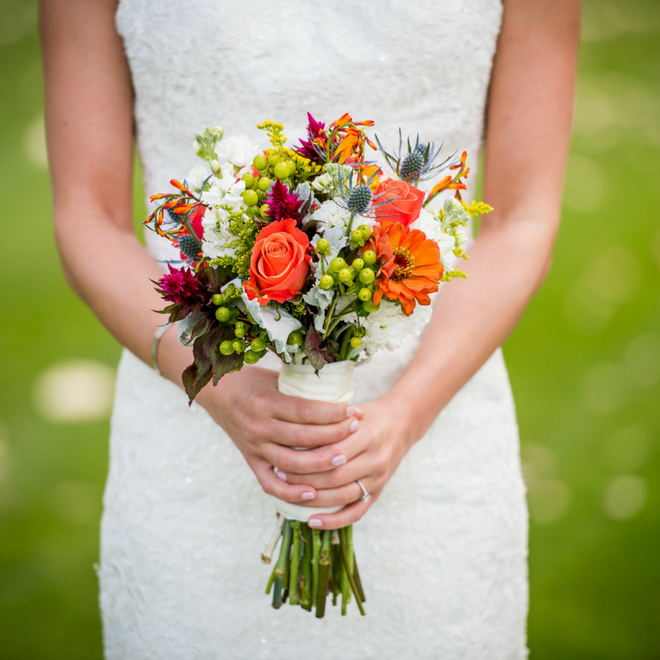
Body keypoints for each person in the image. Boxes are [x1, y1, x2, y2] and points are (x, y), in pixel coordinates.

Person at [41, 0, 579, 657]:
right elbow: (86, 214)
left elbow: (521, 217)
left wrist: (406, 416)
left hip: (436, 426)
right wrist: (216, 387)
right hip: (189, 422)